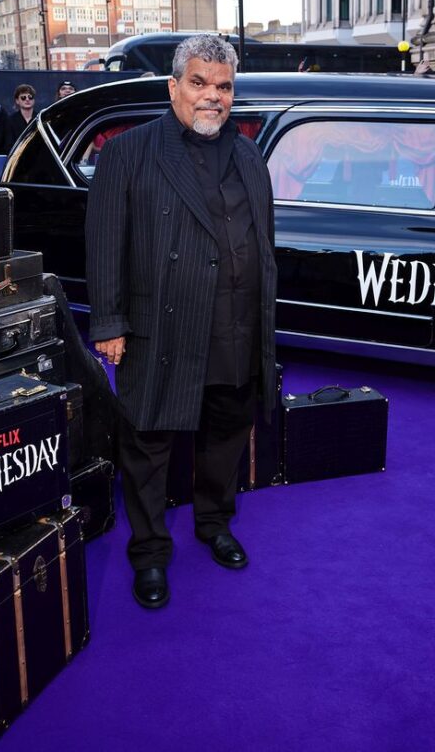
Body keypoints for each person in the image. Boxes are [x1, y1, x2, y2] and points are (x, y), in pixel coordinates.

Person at [84, 34, 278, 610]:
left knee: (225, 433)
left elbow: (261, 242)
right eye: (199, 83)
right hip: (161, 326)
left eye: (222, 86)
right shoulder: (129, 152)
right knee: (149, 443)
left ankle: (214, 522)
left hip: (237, 325)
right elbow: (102, 246)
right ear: (174, 87)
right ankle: (148, 552)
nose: (211, 97)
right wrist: (109, 324)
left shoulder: (248, 154)